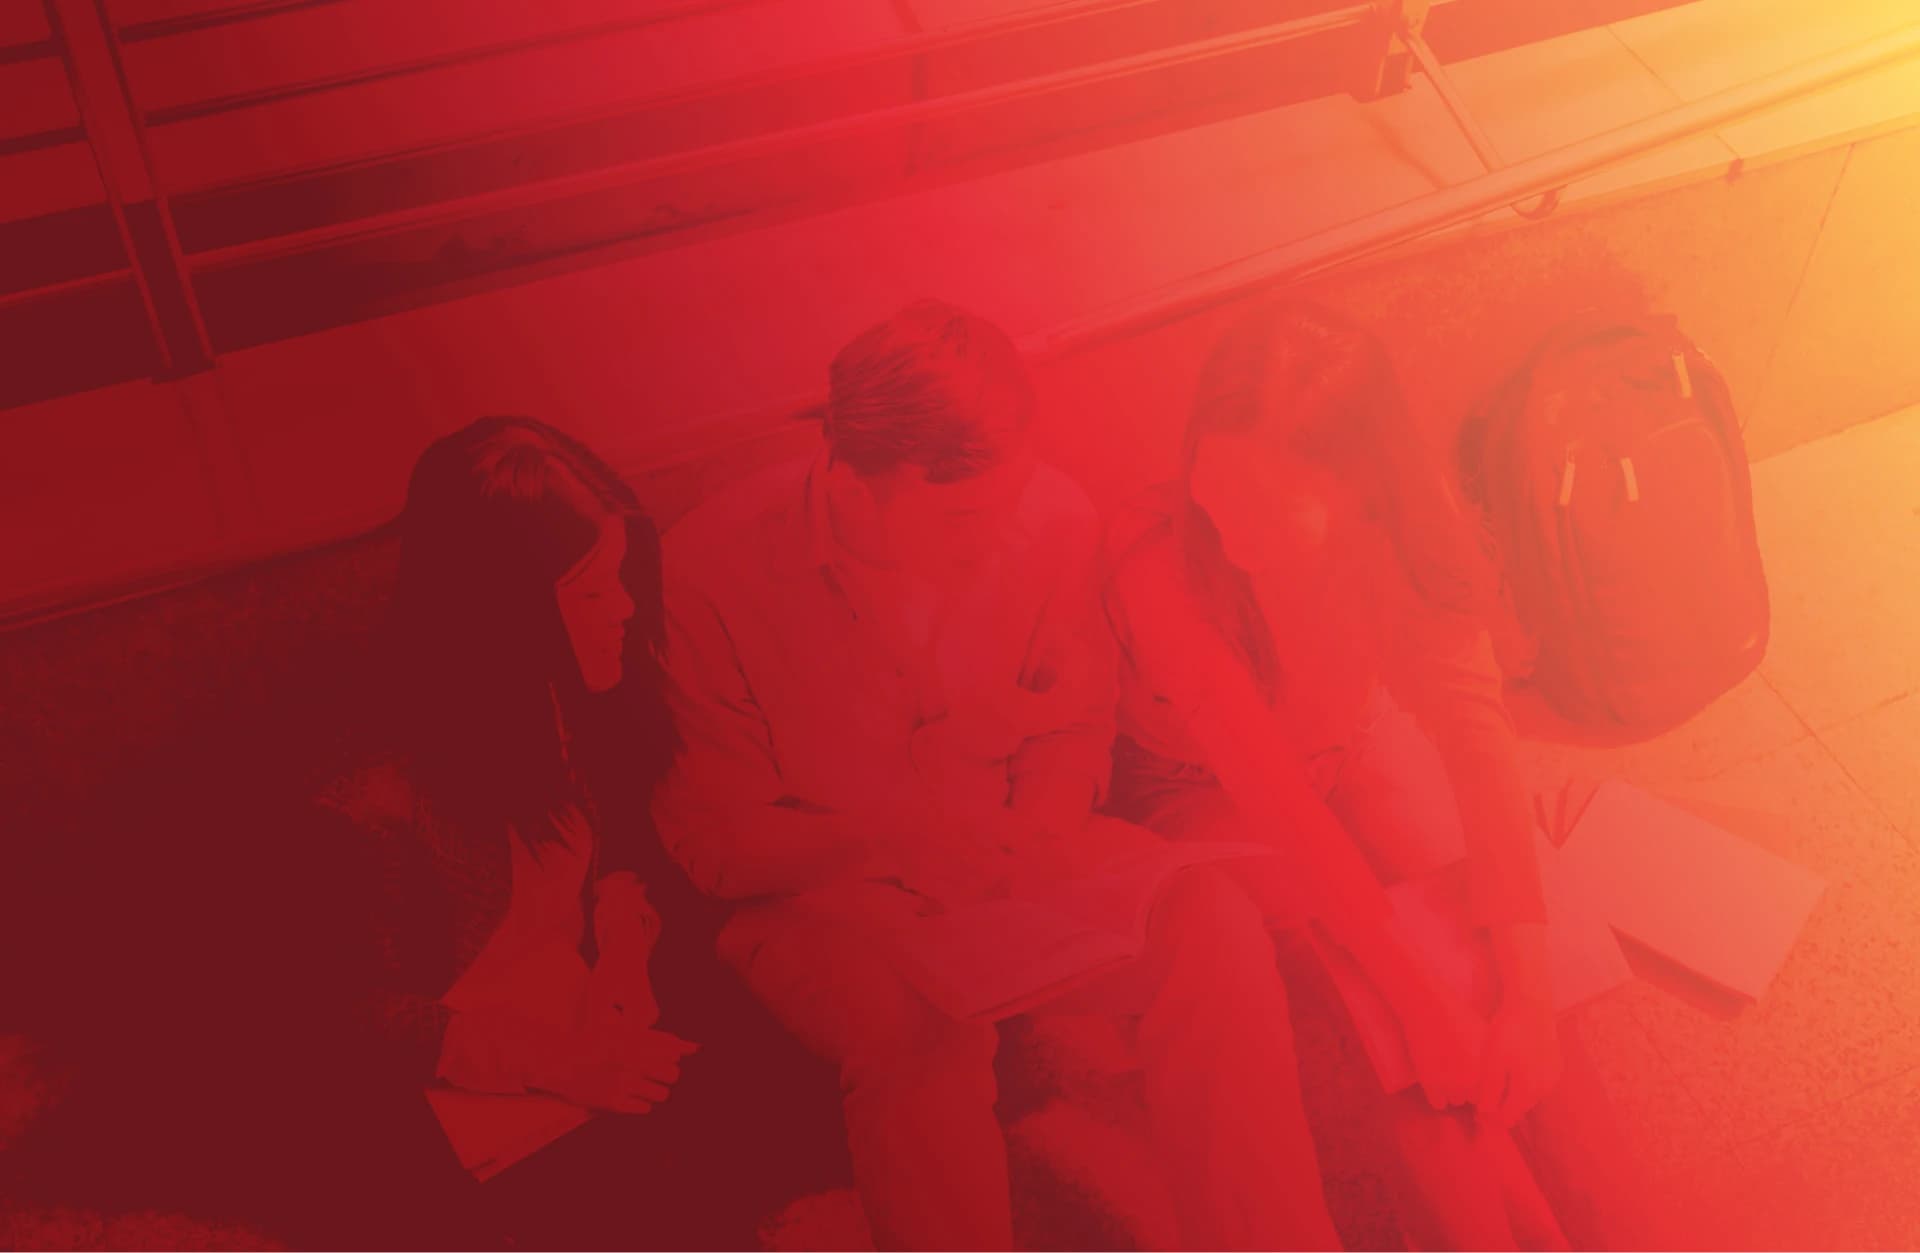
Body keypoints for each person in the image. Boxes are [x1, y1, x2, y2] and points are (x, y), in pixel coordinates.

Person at [653, 299, 1342, 1251]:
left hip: (1011, 851)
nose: (997, 539)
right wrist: (890, 842)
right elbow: (720, 848)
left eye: (1009, 501)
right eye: (967, 518)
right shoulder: (708, 571)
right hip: (822, 898)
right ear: (854, 483)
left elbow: (1074, 728)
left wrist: (1039, 828)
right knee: (915, 1025)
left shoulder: (1050, 518)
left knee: (1211, 922)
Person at [1102, 301, 1645, 1249]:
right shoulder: (1161, 566)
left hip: (1345, 740)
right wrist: (1422, 1007)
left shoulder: (1404, 532)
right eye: (1212, 484)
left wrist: (1525, 995)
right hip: (1197, 787)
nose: (1227, 529)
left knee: (1507, 952)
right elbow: (1276, 801)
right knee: (1381, 1000)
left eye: (1267, 505)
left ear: (1358, 487)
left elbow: (1479, 743)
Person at [285, 417, 826, 1249]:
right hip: (464, 1092)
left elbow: (613, 857)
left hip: (578, 1023)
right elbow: (349, 1017)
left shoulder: (566, 702)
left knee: (791, 1094)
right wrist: (555, 1061)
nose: (626, 608)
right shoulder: (371, 799)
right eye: (593, 591)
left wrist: (621, 945)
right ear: (505, 610)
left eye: (620, 579)